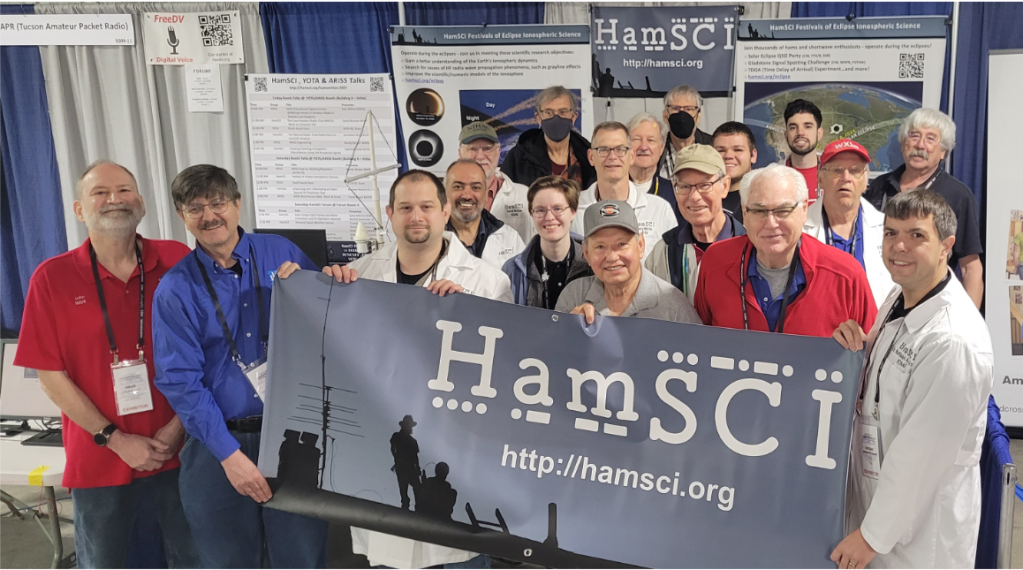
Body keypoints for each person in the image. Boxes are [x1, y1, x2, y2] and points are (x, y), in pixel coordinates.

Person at [15, 161, 200, 570]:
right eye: (100, 192)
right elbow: (51, 377)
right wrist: (115, 439)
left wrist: (179, 426)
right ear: (80, 209)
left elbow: (206, 350)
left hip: (181, 451)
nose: (114, 199)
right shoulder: (52, 278)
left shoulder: (177, 259)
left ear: (142, 204)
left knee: (191, 560)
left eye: (124, 190)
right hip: (100, 460)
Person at [322, 168, 505, 570]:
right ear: (389, 213)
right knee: (392, 551)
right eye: (405, 207)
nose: (415, 216)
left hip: (457, 450)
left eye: (426, 207)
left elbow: (502, 376)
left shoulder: (487, 282)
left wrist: (469, 315)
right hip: (384, 442)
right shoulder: (361, 277)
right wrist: (322, 290)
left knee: (460, 555)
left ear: (444, 212)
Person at [152, 165, 328, 570]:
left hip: (292, 439)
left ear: (237, 204)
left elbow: (329, 329)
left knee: (302, 559)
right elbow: (180, 380)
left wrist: (317, 287)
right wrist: (229, 455)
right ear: (181, 215)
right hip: (216, 448)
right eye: (195, 207)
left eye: (218, 202)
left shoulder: (282, 252)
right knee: (226, 562)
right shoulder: (176, 288)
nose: (210, 215)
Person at [830, 189, 993, 570]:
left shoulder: (953, 340)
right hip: (878, 500)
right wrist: (855, 343)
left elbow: (922, 454)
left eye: (917, 235)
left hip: (920, 533)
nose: (899, 246)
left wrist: (873, 535)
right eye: (890, 233)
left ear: (946, 246)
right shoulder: (899, 297)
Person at [694, 164, 877, 336]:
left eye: (783, 210)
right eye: (759, 211)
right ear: (744, 212)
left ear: (804, 209)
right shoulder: (714, 263)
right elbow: (699, 341)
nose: (771, 223)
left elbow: (872, 353)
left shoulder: (845, 275)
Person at [863, 107, 984, 308]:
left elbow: (970, 268)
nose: (920, 145)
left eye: (930, 139)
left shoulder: (959, 196)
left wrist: (970, 322)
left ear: (943, 151)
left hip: (931, 305)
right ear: (903, 144)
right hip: (877, 300)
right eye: (914, 136)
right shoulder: (877, 187)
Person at [557, 199, 701, 324]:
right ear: (586, 253)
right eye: (600, 246)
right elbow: (554, 352)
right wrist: (568, 332)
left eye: (621, 244)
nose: (612, 257)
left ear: (640, 246)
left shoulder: (673, 306)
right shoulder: (574, 296)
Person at [646, 145, 746, 300]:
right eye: (684, 186)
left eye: (705, 185)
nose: (694, 196)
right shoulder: (664, 251)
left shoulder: (751, 246)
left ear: (725, 186)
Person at [803, 139, 895, 308]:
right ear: (820, 179)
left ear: (866, 181)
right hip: (817, 330)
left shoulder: (888, 229)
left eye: (854, 171)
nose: (846, 178)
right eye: (837, 170)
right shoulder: (799, 227)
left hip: (871, 330)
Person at [573, 122, 677, 262]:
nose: (612, 156)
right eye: (603, 149)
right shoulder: (572, 209)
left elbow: (673, 264)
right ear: (591, 157)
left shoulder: (659, 209)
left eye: (620, 149)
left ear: (632, 156)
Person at [503, 176, 592, 308]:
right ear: (531, 214)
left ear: (573, 212)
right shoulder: (512, 270)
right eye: (540, 210)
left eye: (557, 209)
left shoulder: (593, 264)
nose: (549, 217)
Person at [500, 86, 596, 189]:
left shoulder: (588, 158)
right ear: (538, 118)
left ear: (574, 117)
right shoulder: (519, 157)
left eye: (562, 112)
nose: (556, 118)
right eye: (549, 112)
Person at [457, 121, 533, 242]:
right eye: (473, 149)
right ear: (460, 153)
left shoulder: (524, 195)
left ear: (498, 152)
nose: (480, 156)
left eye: (487, 149)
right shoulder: (444, 197)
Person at [444, 159, 526, 270]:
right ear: (444, 192)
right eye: (458, 187)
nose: (467, 195)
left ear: (485, 193)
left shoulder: (510, 238)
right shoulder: (430, 238)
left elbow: (522, 284)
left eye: (476, 187)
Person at [627, 112, 680, 223]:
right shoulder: (609, 190)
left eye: (651, 140)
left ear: (661, 148)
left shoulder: (675, 193)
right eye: (637, 139)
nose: (644, 146)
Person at [659, 85, 714, 180]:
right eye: (675, 108)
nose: (682, 114)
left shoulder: (712, 147)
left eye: (689, 109)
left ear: (699, 116)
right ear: (665, 116)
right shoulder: (656, 149)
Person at [712, 121, 759, 223]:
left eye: (738, 150)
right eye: (720, 150)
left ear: (753, 156)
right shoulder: (701, 197)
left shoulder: (763, 197)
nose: (728, 156)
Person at [782, 99, 824, 204]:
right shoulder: (771, 177)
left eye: (808, 127)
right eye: (793, 127)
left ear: (819, 133)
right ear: (786, 135)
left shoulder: (836, 174)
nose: (800, 133)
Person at [390, 415, 420, 510]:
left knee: (415, 488)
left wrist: (417, 467)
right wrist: (397, 459)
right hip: (403, 466)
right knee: (405, 488)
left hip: (408, 467)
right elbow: (393, 449)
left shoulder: (412, 441)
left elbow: (415, 456)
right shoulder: (397, 436)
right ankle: (407, 505)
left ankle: (417, 506)